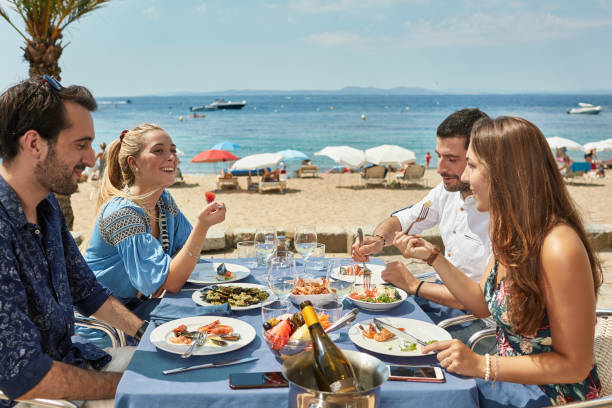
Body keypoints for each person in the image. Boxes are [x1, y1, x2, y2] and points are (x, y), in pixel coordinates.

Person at [394, 116, 602, 407]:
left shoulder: (559, 247)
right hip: (507, 381)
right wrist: (433, 257)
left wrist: (482, 365)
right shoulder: (511, 231)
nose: (465, 177)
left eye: (474, 166)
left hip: (548, 396)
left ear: (507, 174)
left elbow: (575, 365)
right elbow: (481, 302)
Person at [0, 76, 146, 406]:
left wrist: (146, 334)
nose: (93, 159)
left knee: (173, 371)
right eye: (81, 145)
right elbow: (24, 377)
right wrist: (125, 386)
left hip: (73, 363)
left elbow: (87, 291)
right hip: (33, 397)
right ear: (34, 144)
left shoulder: (46, 205)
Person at [79, 124, 226, 347]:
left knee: (220, 309)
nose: (171, 158)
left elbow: (182, 253)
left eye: (173, 150)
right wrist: (202, 226)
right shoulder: (122, 214)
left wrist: (163, 275)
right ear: (134, 163)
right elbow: (172, 281)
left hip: (139, 309)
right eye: (159, 151)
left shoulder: (163, 201)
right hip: (108, 329)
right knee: (210, 322)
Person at [353, 108, 491, 326]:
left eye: (452, 159)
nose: (439, 168)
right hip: (439, 296)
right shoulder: (446, 191)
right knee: (362, 311)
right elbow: (404, 220)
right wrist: (378, 240)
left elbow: (483, 301)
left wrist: (412, 283)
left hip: (469, 320)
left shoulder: (500, 214)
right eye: (438, 156)